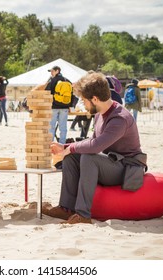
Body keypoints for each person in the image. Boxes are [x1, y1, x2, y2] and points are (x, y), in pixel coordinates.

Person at [43, 72, 147, 224]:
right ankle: (66, 208)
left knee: (88, 157)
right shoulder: (100, 113)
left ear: (95, 99)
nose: (83, 104)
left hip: (126, 167)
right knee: (72, 157)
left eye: (84, 100)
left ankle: (83, 215)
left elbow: (97, 146)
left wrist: (70, 148)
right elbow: (92, 140)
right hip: (110, 161)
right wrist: (64, 147)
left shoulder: (120, 119)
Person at [45, 66, 72, 144]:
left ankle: (51, 144)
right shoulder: (67, 80)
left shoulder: (52, 80)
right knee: (63, 127)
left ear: (57, 71)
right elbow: (71, 93)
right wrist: (70, 105)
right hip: (65, 107)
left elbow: (47, 91)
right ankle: (62, 144)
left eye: (52, 71)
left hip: (54, 107)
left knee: (51, 127)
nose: (51, 73)